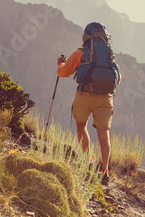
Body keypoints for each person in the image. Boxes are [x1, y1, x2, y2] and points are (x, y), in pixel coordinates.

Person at [56, 23, 120, 186]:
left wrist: (60, 64)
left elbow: (64, 73)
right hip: (105, 98)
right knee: (104, 134)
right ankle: (105, 172)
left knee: (81, 126)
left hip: (84, 94)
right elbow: (117, 79)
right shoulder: (109, 56)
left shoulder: (81, 53)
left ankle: (88, 162)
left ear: (85, 38)